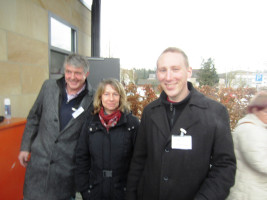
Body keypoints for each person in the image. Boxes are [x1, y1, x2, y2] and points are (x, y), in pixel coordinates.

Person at [126, 47, 236, 200]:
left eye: (175, 69)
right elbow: (139, 161)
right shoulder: (150, 112)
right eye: (163, 70)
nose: (168, 77)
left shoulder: (214, 112)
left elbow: (225, 167)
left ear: (188, 71)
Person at [18, 54, 94, 200]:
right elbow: (34, 117)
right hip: (38, 166)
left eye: (77, 73)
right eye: (68, 72)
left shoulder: (92, 99)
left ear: (86, 74)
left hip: (65, 172)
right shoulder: (48, 87)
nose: (72, 77)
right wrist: (25, 146)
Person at [75, 78, 139, 200]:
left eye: (115, 94)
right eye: (107, 94)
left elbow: (139, 160)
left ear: (121, 97)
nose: (111, 98)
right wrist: (85, 190)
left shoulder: (132, 124)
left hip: (123, 193)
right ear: (100, 97)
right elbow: (81, 158)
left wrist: (132, 191)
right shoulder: (90, 124)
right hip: (95, 192)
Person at [227, 91, 267, 200]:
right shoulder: (249, 130)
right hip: (249, 193)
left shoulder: (260, 127)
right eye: (266, 112)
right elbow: (260, 162)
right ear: (255, 110)